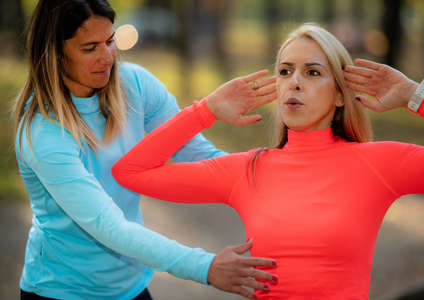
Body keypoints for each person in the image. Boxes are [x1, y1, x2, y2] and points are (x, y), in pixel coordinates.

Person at [112, 23, 424, 300]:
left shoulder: (379, 163)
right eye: (285, 71)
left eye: (313, 72)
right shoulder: (248, 169)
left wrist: (417, 97)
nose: (295, 82)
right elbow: (130, 172)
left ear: (339, 94)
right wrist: (206, 111)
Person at [13, 1, 278, 299]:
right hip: (61, 291)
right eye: (90, 48)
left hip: (131, 286)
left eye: (110, 41)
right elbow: (108, 226)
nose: (107, 57)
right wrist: (205, 266)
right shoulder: (43, 132)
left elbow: (199, 156)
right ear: (56, 55)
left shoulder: (135, 84)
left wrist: (269, 175)